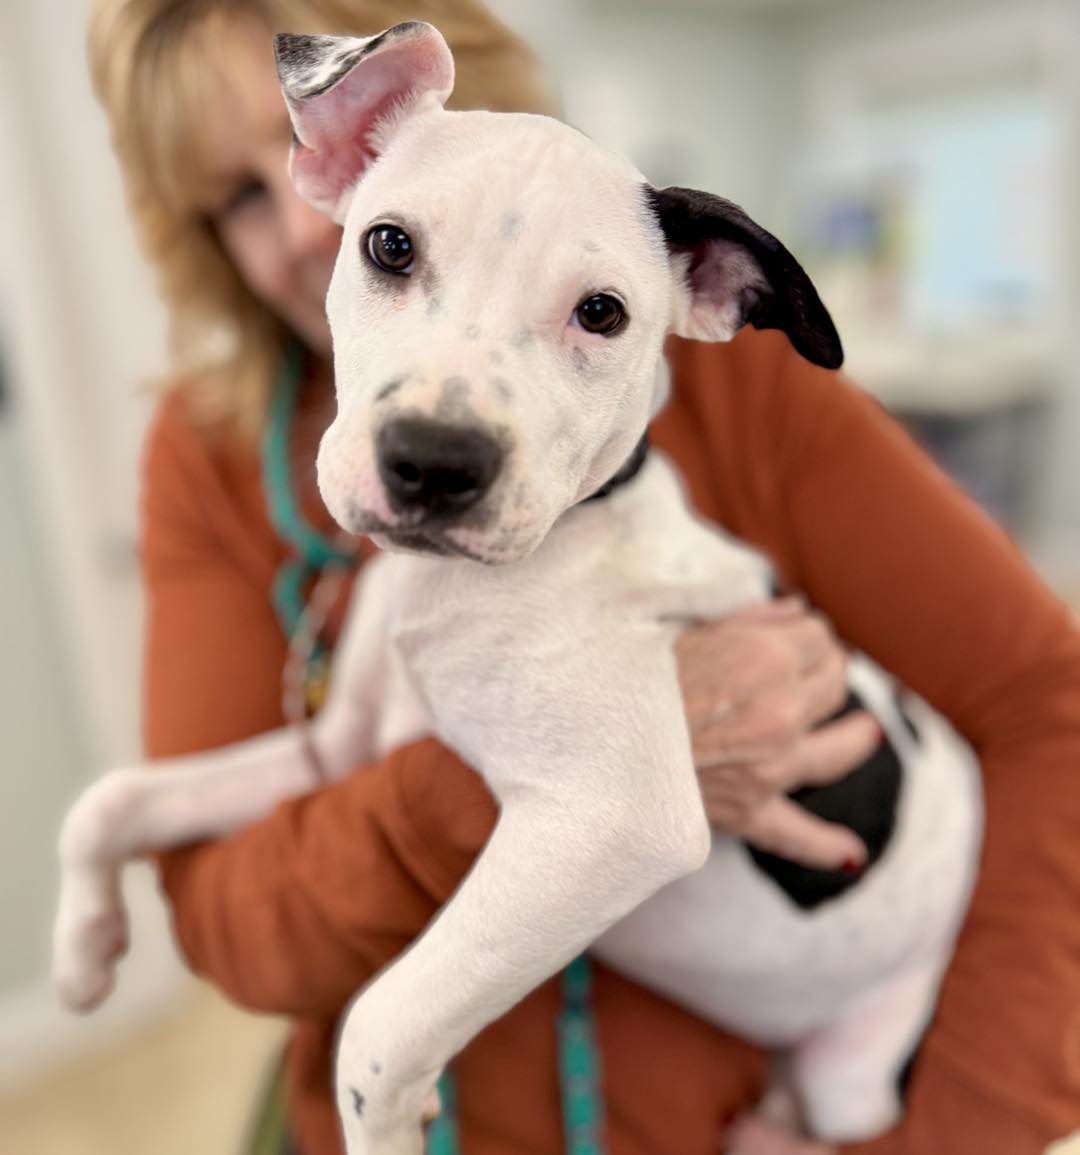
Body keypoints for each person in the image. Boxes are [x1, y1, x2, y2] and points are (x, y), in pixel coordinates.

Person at [86, 1, 1080, 1153]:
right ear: (340, 150)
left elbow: (1044, 706)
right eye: (240, 198)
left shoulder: (722, 375)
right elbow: (228, 923)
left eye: (596, 316)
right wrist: (500, 776)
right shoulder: (203, 459)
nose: (307, 232)